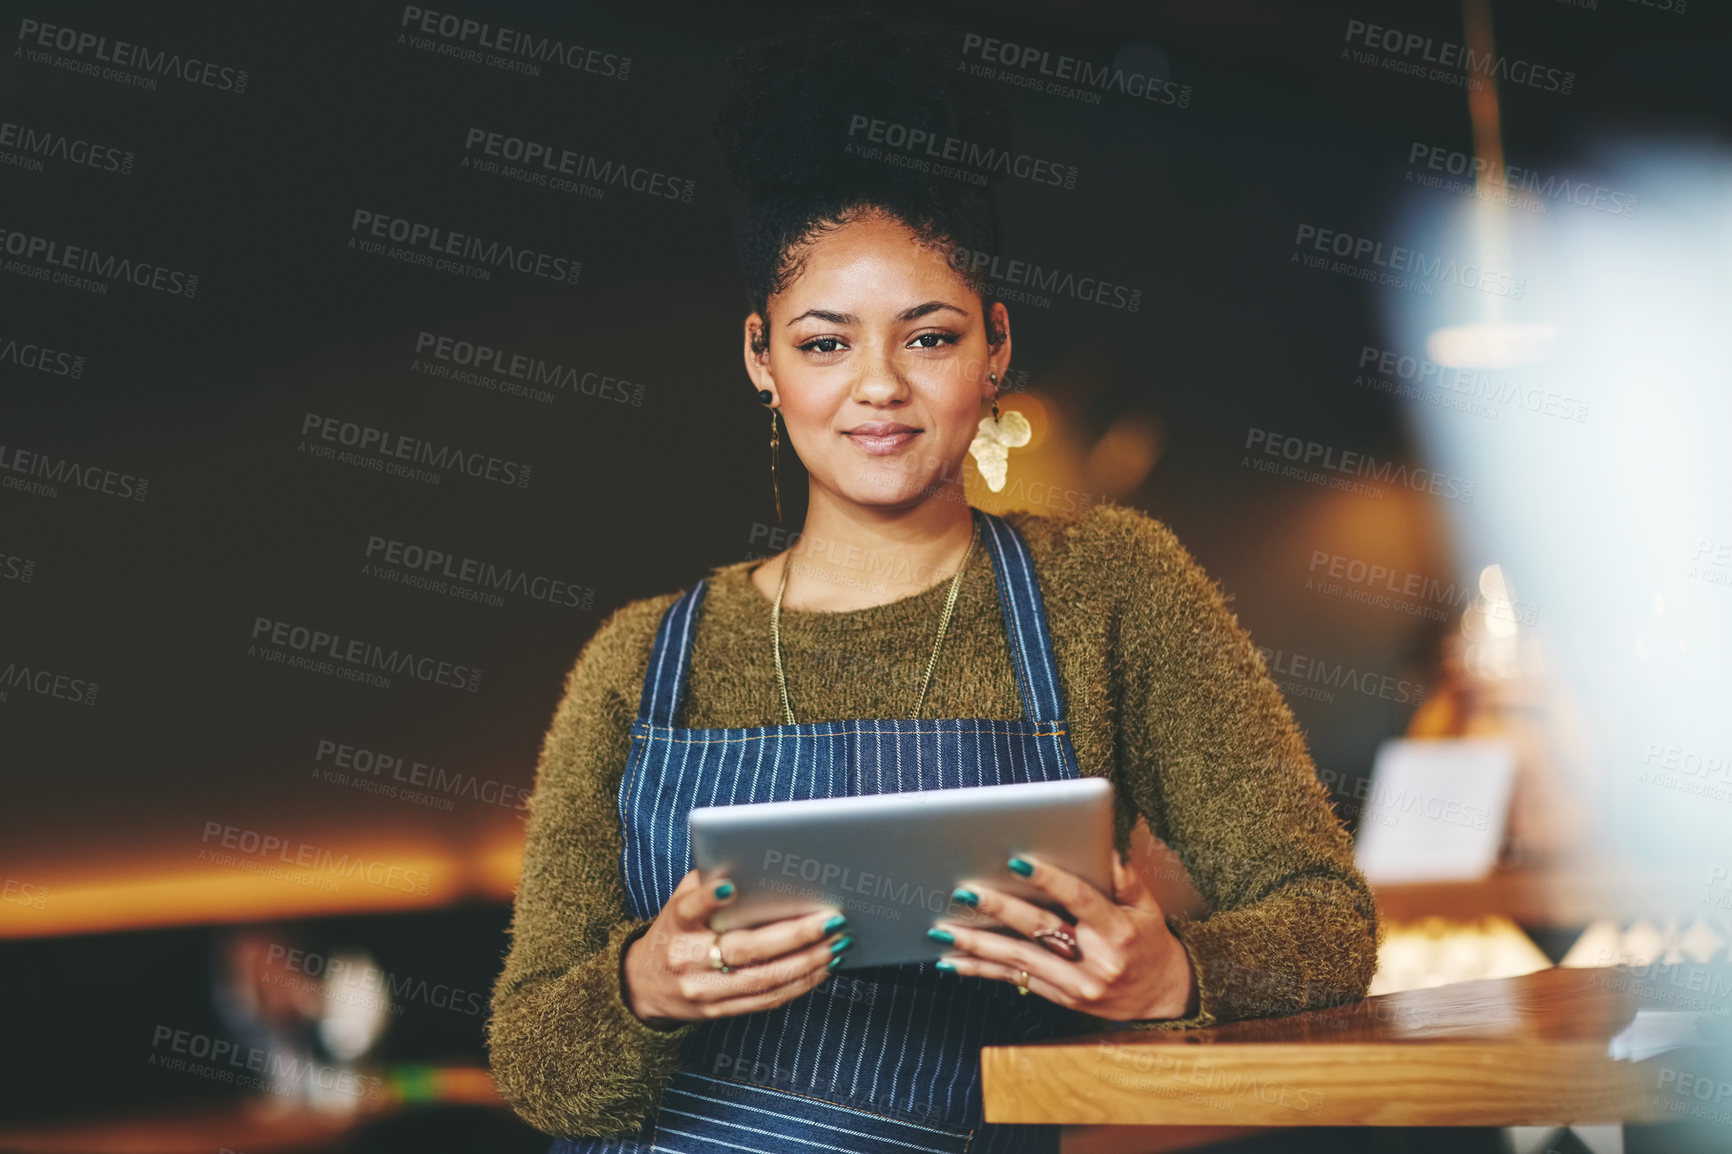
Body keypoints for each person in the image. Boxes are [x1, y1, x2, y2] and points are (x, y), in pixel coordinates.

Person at [487, 15, 1379, 1153]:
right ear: (760, 356)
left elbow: (1327, 917)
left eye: (929, 337)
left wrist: (1177, 971)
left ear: (995, 347)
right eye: (823, 344)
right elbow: (535, 1061)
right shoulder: (639, 660)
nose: (878, 389)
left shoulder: (1111, 587)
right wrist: (641, 984)